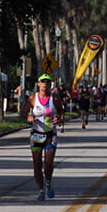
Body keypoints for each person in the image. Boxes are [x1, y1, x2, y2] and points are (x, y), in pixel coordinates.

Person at [20, 73, 63, 202]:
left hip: (50, 133)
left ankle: (48, 183)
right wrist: (28, 117)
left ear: (50, 85)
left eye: (48, 82)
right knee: (37, 163)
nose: (45, 84)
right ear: (38, 84)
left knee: (48, 163)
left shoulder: (54, 99)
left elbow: (61, 112)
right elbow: (23, 113)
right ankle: (40, 190)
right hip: (37, 134)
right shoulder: (33, 98)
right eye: (43, 82)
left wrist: (58, 119)